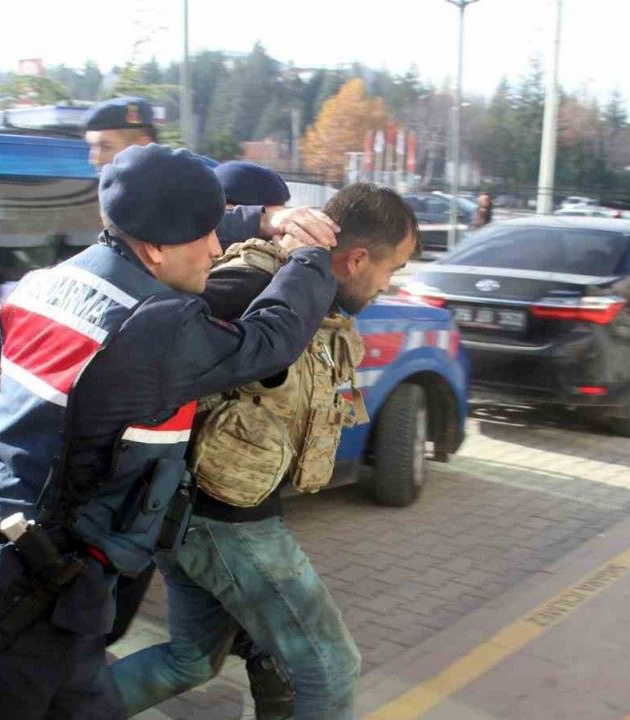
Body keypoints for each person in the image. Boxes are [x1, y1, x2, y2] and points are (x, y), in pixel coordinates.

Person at [0, 144, 338, 720]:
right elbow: (271, 340)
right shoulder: (153, 326)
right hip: (33, 598)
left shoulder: (49, 280)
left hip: (15, 554)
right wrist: (310, 259)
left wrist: (266, 220)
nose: (216, 249)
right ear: (156, 247)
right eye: (205, 235)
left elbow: (170, 228)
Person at [110, 183, 419, 719]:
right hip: (221, 522)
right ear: (357, 259)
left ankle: (61, 710)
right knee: (331, 667)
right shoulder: (251, 282)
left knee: (191, 660)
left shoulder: (314, 294)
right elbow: (148, 345)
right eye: (392, 269)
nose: (388, 284)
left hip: (197, 517)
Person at [82, 95, 334, 255]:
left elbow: (188, 222)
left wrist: (267, 220)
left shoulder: (177, 191)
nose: (94, 158)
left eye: (104, 146)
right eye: (92, 147)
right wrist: (264, 219)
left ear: (141, 144)